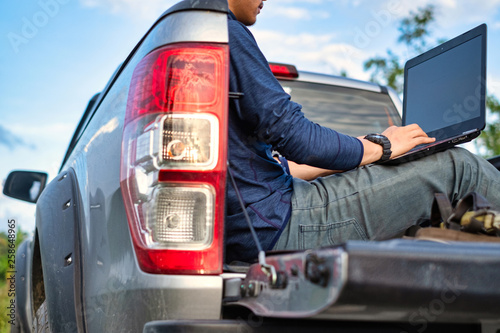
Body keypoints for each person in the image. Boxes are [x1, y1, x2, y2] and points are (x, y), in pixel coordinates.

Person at [224, 0, 500, 263]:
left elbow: (280, 165)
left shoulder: (191, 29)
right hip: (278, 223)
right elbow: (299, 138)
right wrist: (384, 146)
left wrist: (369, 155)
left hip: (260, 226)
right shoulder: (229, 34)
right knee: (459, 166)